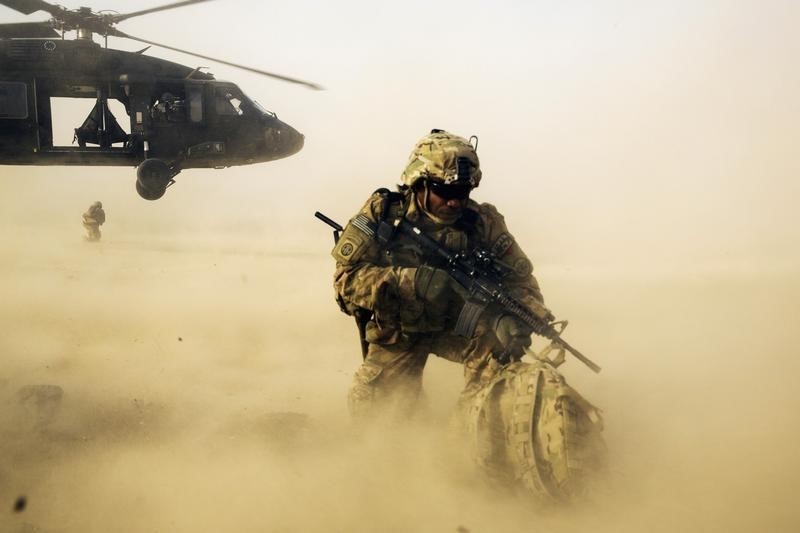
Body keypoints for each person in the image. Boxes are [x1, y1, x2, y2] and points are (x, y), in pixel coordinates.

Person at [331, 129, 550, 419]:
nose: (454, 203)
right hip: (400, 329)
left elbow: (522, 281)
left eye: (462, 193)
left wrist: (523, 316)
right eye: (445, 192)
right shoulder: (384, 213)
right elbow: (345, 282)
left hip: (460, 324)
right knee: (379, 421)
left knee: (497, 355)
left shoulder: (483, 222)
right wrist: (410, 281)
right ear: (419, 184)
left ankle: (473, 429)